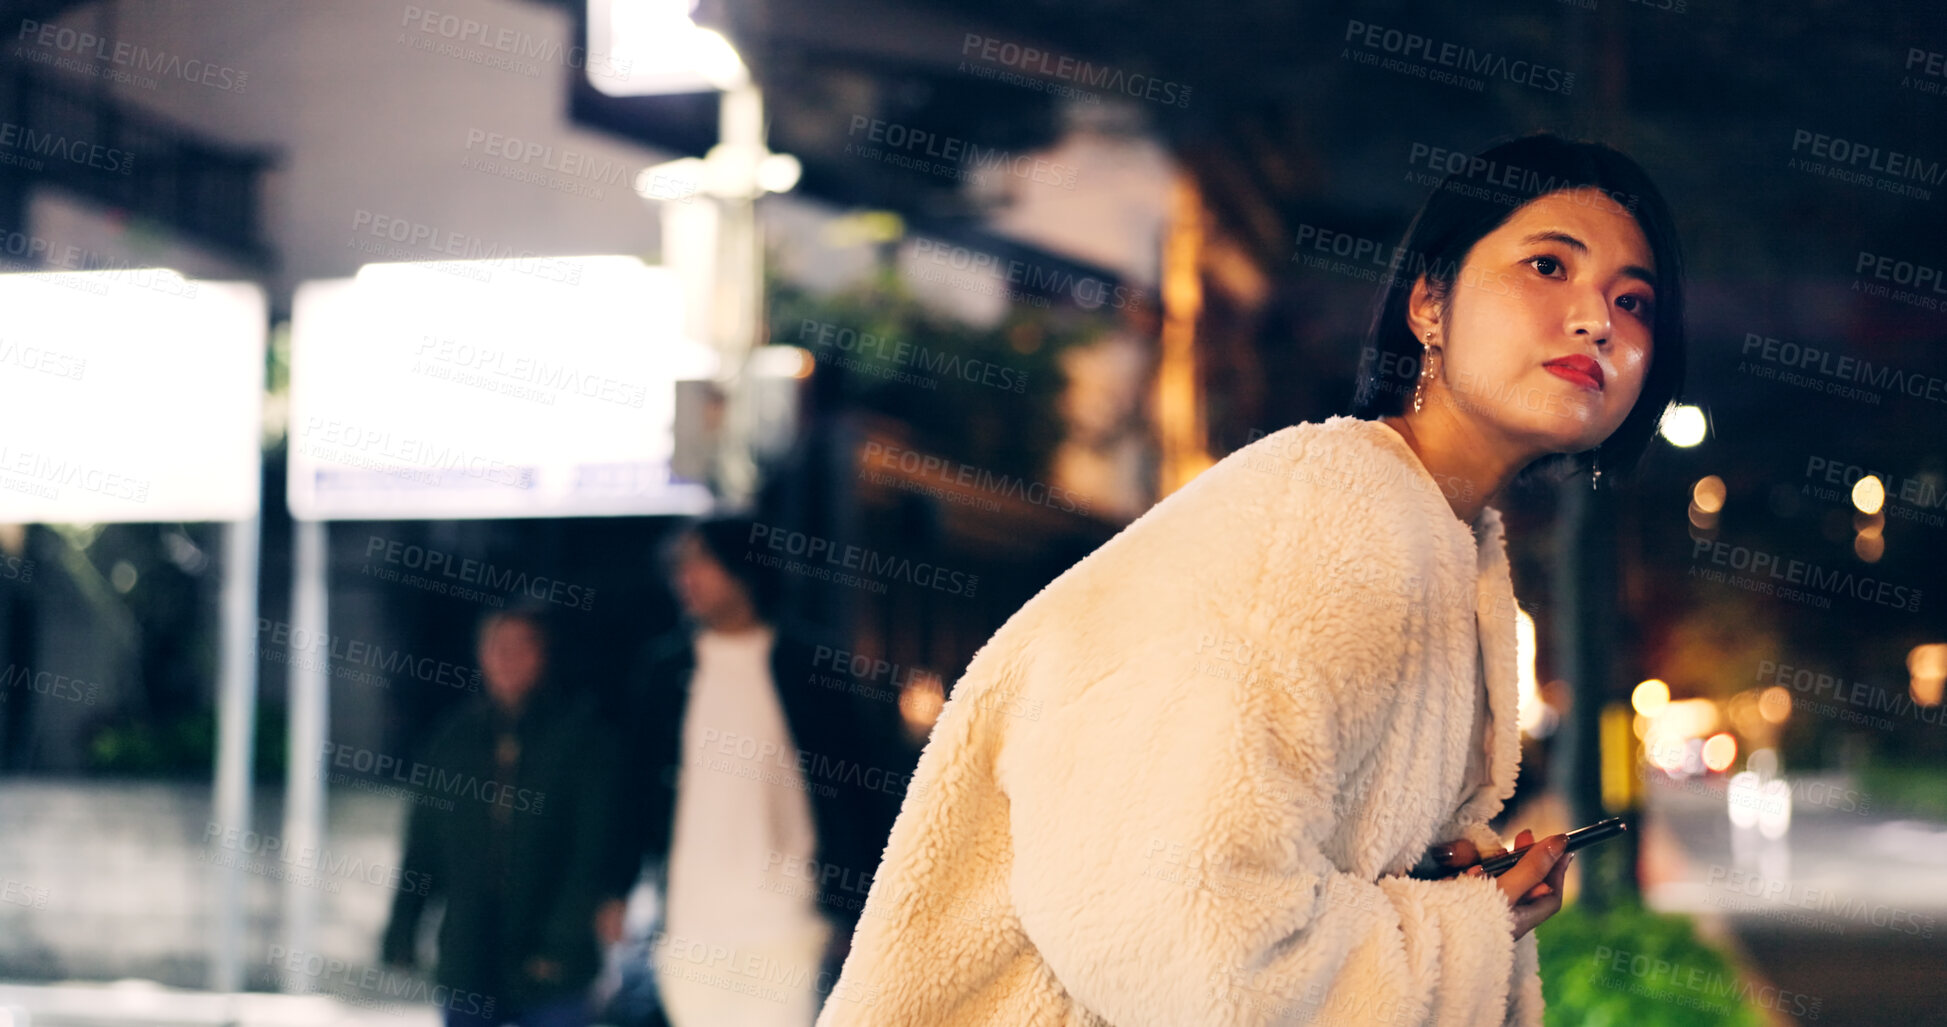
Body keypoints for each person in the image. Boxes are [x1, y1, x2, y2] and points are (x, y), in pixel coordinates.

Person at [815, 132, 1687, 1026]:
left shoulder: (1439, 541)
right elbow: (1182, 937)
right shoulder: (1324, 515)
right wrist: (1466, 922)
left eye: (1634, 301)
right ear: (1428, 302)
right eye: (1548, 266)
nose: (1597, 320)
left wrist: (1438, 886)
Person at [597, 516, 907, 1027]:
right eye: (680, 566)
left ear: (744, 568)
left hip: (788, 921)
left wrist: (859, 909)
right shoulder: (664, 672)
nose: (687, 579)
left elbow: (858, 793)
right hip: (693, 923)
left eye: (702, 562)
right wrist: (615, 889)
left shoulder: (812, 666)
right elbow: (632, 792)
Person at [383, 605, 618, 1027]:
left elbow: (594, 850)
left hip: (553, 959)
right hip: (470, 952)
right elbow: (424, 845)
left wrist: (563, 941)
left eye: (521, 647)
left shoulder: (582, 740)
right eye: (497, 646)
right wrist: (403, 927)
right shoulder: (455, 738)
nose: (507, 659)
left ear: (545, 654)